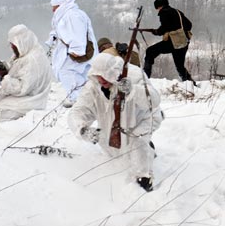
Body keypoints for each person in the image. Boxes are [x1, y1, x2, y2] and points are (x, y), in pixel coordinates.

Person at [67, 53, 163, 192]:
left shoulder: (134, 75)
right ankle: (148, 150)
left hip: (143, 119)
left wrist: (133, 90)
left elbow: (154, 100)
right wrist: (82, 129)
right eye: (97, 75)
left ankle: (143, 181)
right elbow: (78, 111)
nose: (100, 79)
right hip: (113, 124)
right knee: (114, 150)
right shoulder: (93, 87)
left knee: (138, 143)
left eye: (104, 74)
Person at [0, 25, 52, 122]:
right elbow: (16, 71)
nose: (11, 47)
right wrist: (1, 70)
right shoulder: (23, 53)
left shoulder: (33, 60)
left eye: (13, 44)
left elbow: (22, 88)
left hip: (30, 99)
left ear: (21, 41)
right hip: (17, 97)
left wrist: (4, 77)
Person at [47, 0, 97, 107]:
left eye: (54, 7)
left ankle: (78, 99)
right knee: (82, 75)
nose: (53, 10)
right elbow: (61, 31)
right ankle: (85, 99)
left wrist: (76, 50)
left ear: (60, 6)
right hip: (74, 54)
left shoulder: (73, 14)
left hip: (76, 54)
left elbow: (78, 33)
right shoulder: (66, 15)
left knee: (67, 73)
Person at [142, 0, 195, 85]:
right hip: (184, 42)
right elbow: (189, 24)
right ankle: (191, 85)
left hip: (173, 43)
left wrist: (156, 32)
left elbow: (164, 28)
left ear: (159, 6)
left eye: (157, 8)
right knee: (180, 67)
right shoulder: (177, 11)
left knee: (150, 51)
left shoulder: (164, 12)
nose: (157, 10)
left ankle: (145, 79)